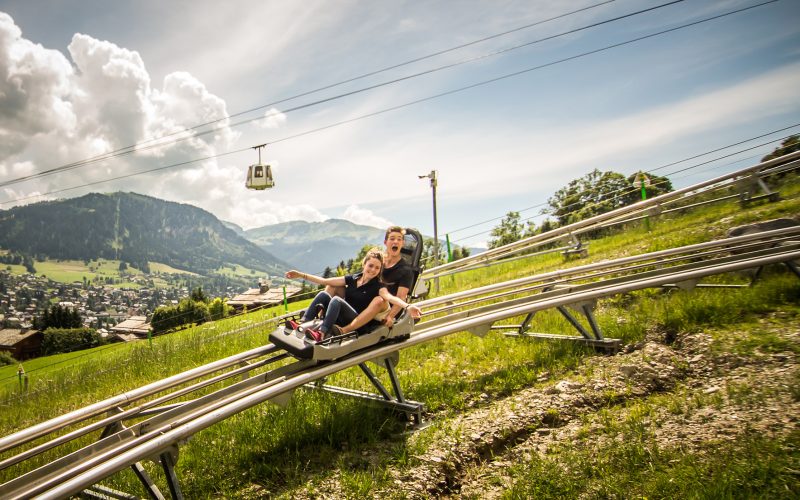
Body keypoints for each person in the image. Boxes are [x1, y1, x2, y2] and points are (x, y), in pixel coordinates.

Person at [285, 248, 421, 341]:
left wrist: (407, 306)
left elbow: (391, 298)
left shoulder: (378, 287)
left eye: (377, 268)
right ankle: (303, 324)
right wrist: (300, 275)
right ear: (364, 265)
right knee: (324, 294)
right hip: (343, 316)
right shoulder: (354, 278)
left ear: (380, 270)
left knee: (337, 300)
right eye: (370, 266)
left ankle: (321, 334)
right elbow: (325, 281)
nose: (373, 270)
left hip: (357, 322)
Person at [326, 225, 416, 330]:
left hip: (380, 308)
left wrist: (390, 316)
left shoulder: (405, 270)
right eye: (392, 239)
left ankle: (345, 330)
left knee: (379, 300)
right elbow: (361, 276)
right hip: (364, 298)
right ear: (385, 242)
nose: (395, 242)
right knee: (332, 285)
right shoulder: (377, 262)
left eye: (399, 239)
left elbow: (401, 297)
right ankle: (320, 317)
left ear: (402, 243)